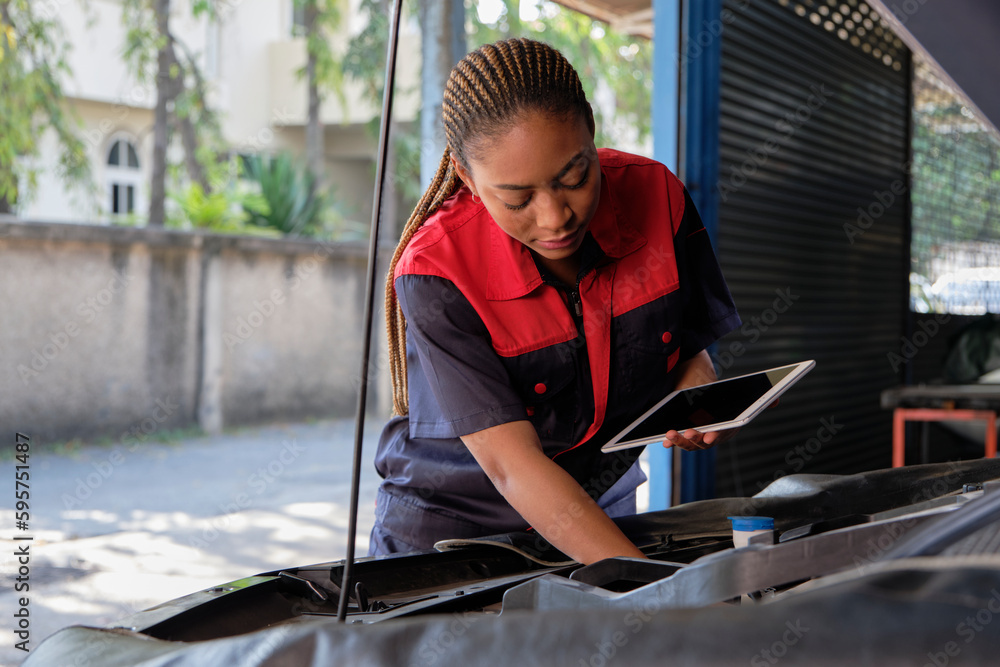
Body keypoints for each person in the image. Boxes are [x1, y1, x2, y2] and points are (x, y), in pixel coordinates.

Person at [369, 37, 740, 565]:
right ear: (466, 177)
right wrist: (650, 584)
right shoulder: (437, 270)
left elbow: (686, 345)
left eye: (575, 177)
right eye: (517, 199)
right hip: (451, 535)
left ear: (590, 127)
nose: (554, 217)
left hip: (600, 509)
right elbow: (511, 467)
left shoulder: (658, 197)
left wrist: (696, 390)